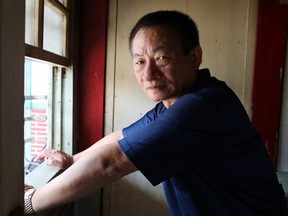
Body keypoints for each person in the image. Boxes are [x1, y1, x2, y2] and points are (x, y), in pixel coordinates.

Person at [24, 10, 288, 215]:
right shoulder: (177, 103)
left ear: (194, 57)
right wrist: (72, 159)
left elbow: (112, 162)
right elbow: (120, 138)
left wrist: (31, 202)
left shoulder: (202, 106)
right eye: (140, 61)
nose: (148, 74)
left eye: (162, 58)